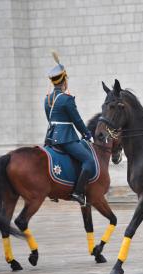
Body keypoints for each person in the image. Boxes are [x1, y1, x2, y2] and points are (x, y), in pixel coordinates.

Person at [44, 51, 94, 206]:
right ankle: (78, 192)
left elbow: (49, 119)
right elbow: (77, 120)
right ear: (64, 80)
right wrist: (87, 134)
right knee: (88, 160)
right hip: (66, 138)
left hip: (51, 138)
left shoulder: (47, 99)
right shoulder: (66, 99)